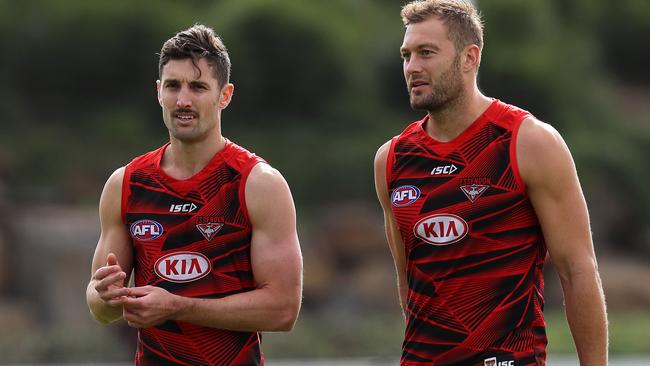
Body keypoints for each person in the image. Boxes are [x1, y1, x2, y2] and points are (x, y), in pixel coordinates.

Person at [373, 1, 608, 365]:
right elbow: (411, 288)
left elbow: (577, 271)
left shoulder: (529, 142)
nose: (412, 67)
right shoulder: (391, 159)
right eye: (406, 55)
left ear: (469, 57)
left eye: (426, 53)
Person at [86, 24, 303, 365]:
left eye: (198, 87)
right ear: (159, 92)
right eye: (173, 86)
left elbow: (283, 310)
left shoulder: (258, 183)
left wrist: (179, 307)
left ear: (225, 95)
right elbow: (100, 309)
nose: (183, 100)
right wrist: (105, 296)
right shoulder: (126, 183)